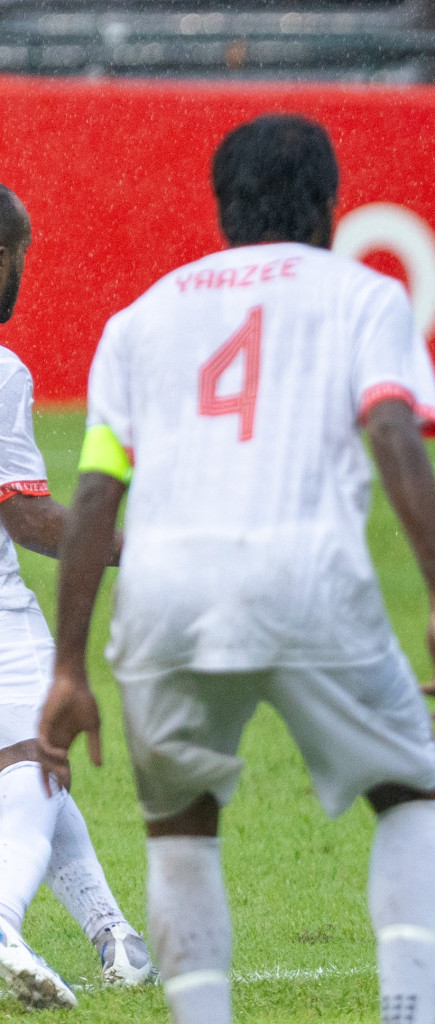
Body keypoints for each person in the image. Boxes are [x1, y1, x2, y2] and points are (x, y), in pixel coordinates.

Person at [34, 115, 435, 1024]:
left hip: (161, 599)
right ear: (329, 205)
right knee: (410, 795)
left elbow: (94, 501)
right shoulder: (363, 296)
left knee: (180, 832)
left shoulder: (137, 320)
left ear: (222, 207)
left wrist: (70, 667)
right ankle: (407, 1013)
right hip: (307, 578)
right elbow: (393, 429)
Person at [0, 185, 155, 1010]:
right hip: (0, 619)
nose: (24, 268)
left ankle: (115, 939)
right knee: (38, 758)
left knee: (31, 769)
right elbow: (28, 518)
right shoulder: (1, 369)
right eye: (20, 251)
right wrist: (144, 549)